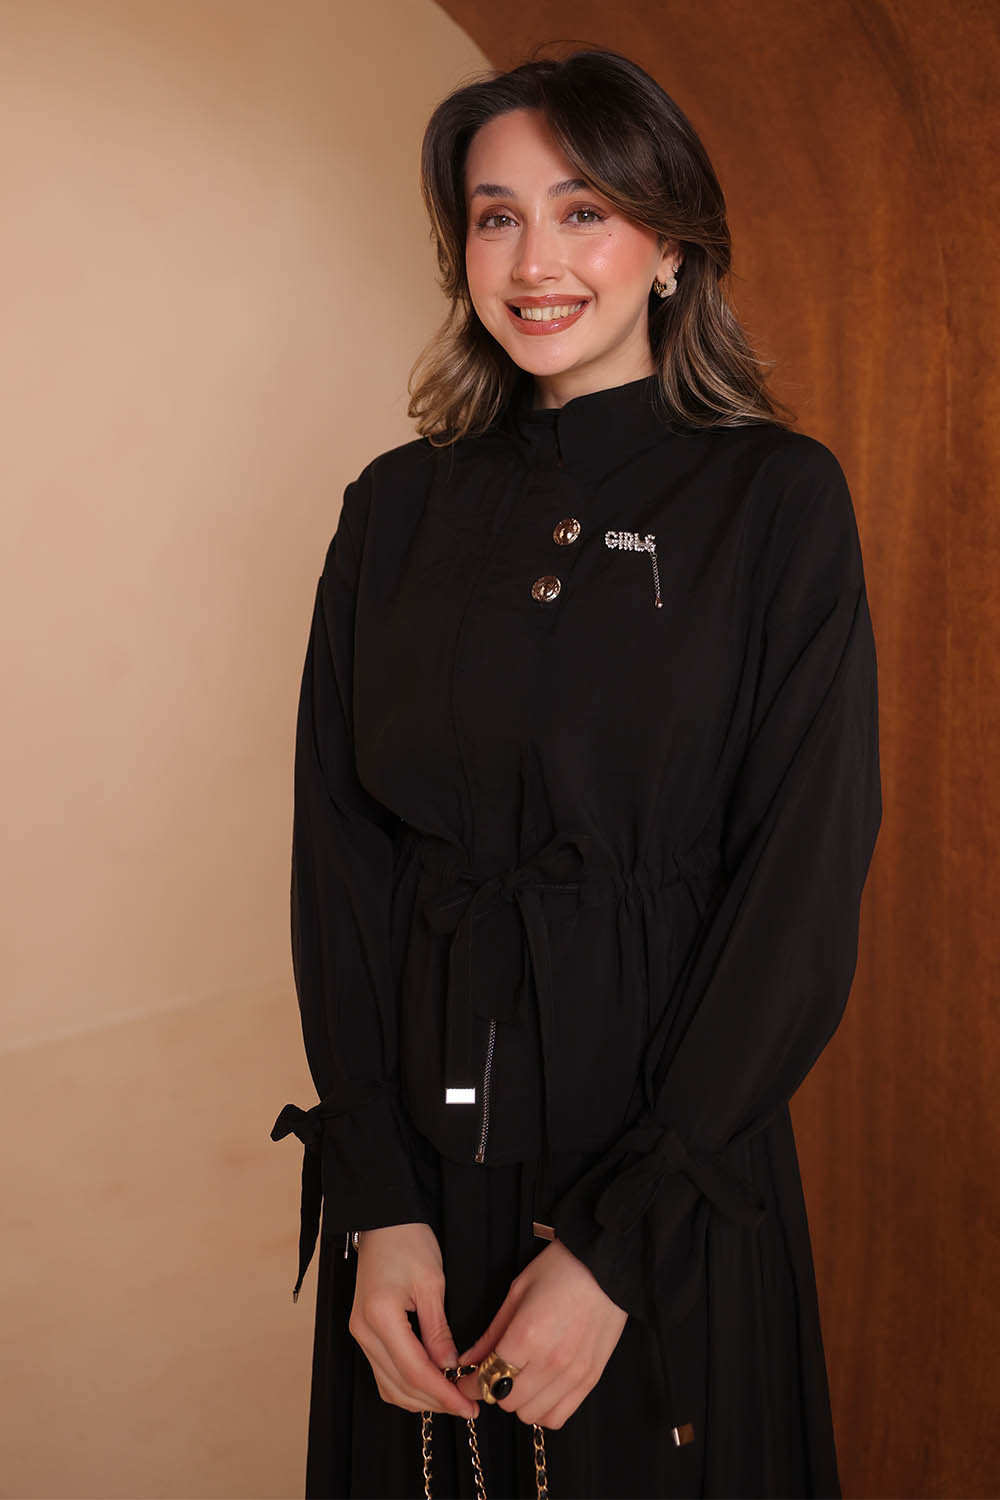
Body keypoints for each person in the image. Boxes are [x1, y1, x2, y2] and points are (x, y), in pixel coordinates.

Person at [269, 46, 882, 1500]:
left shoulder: (775, 501)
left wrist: (618, 1245)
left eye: (584, 210)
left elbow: (799, 889)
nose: (535, 261)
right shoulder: (391, 509)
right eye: (497, 217)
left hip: (667, 1162)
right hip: (423, 1182)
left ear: (670, 245)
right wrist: (377, 1205)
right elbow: (338, 861)